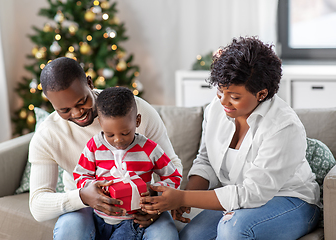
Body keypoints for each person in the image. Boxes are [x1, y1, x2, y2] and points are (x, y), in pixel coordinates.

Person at [139, 36, 321, 240]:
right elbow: (206, 160)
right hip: (239, 197)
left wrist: (182, 196)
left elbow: (253, 193)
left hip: (290, 200)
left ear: (261, 94)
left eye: (234, 97)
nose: (223, 101)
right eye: (220, 90)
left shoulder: (283, 127)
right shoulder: (216, 109)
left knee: (233, 230)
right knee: (190, 236)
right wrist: (184, 201)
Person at [28, 57, 183, 240]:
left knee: (165, 236)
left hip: (140, 204)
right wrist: (83, 197)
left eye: (81, 101)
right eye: (64, 110)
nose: (77, 113)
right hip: (83, 205)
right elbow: (38, 205)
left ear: (89, 82)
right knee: (69, 232)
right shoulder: (48, 135)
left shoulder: (133, 110)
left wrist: (156, 205)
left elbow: (172, 165)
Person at [73, 86, 181, 239]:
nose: (118, 140)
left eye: (125, 133)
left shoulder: (149, 149)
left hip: (132, 221)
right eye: (110, 134)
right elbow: (80, 175)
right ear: (100, 123)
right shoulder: (94, 146)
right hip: (98, 217)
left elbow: (173, 177)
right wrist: (92, 189)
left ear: (137, 121)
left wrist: (154, 192)